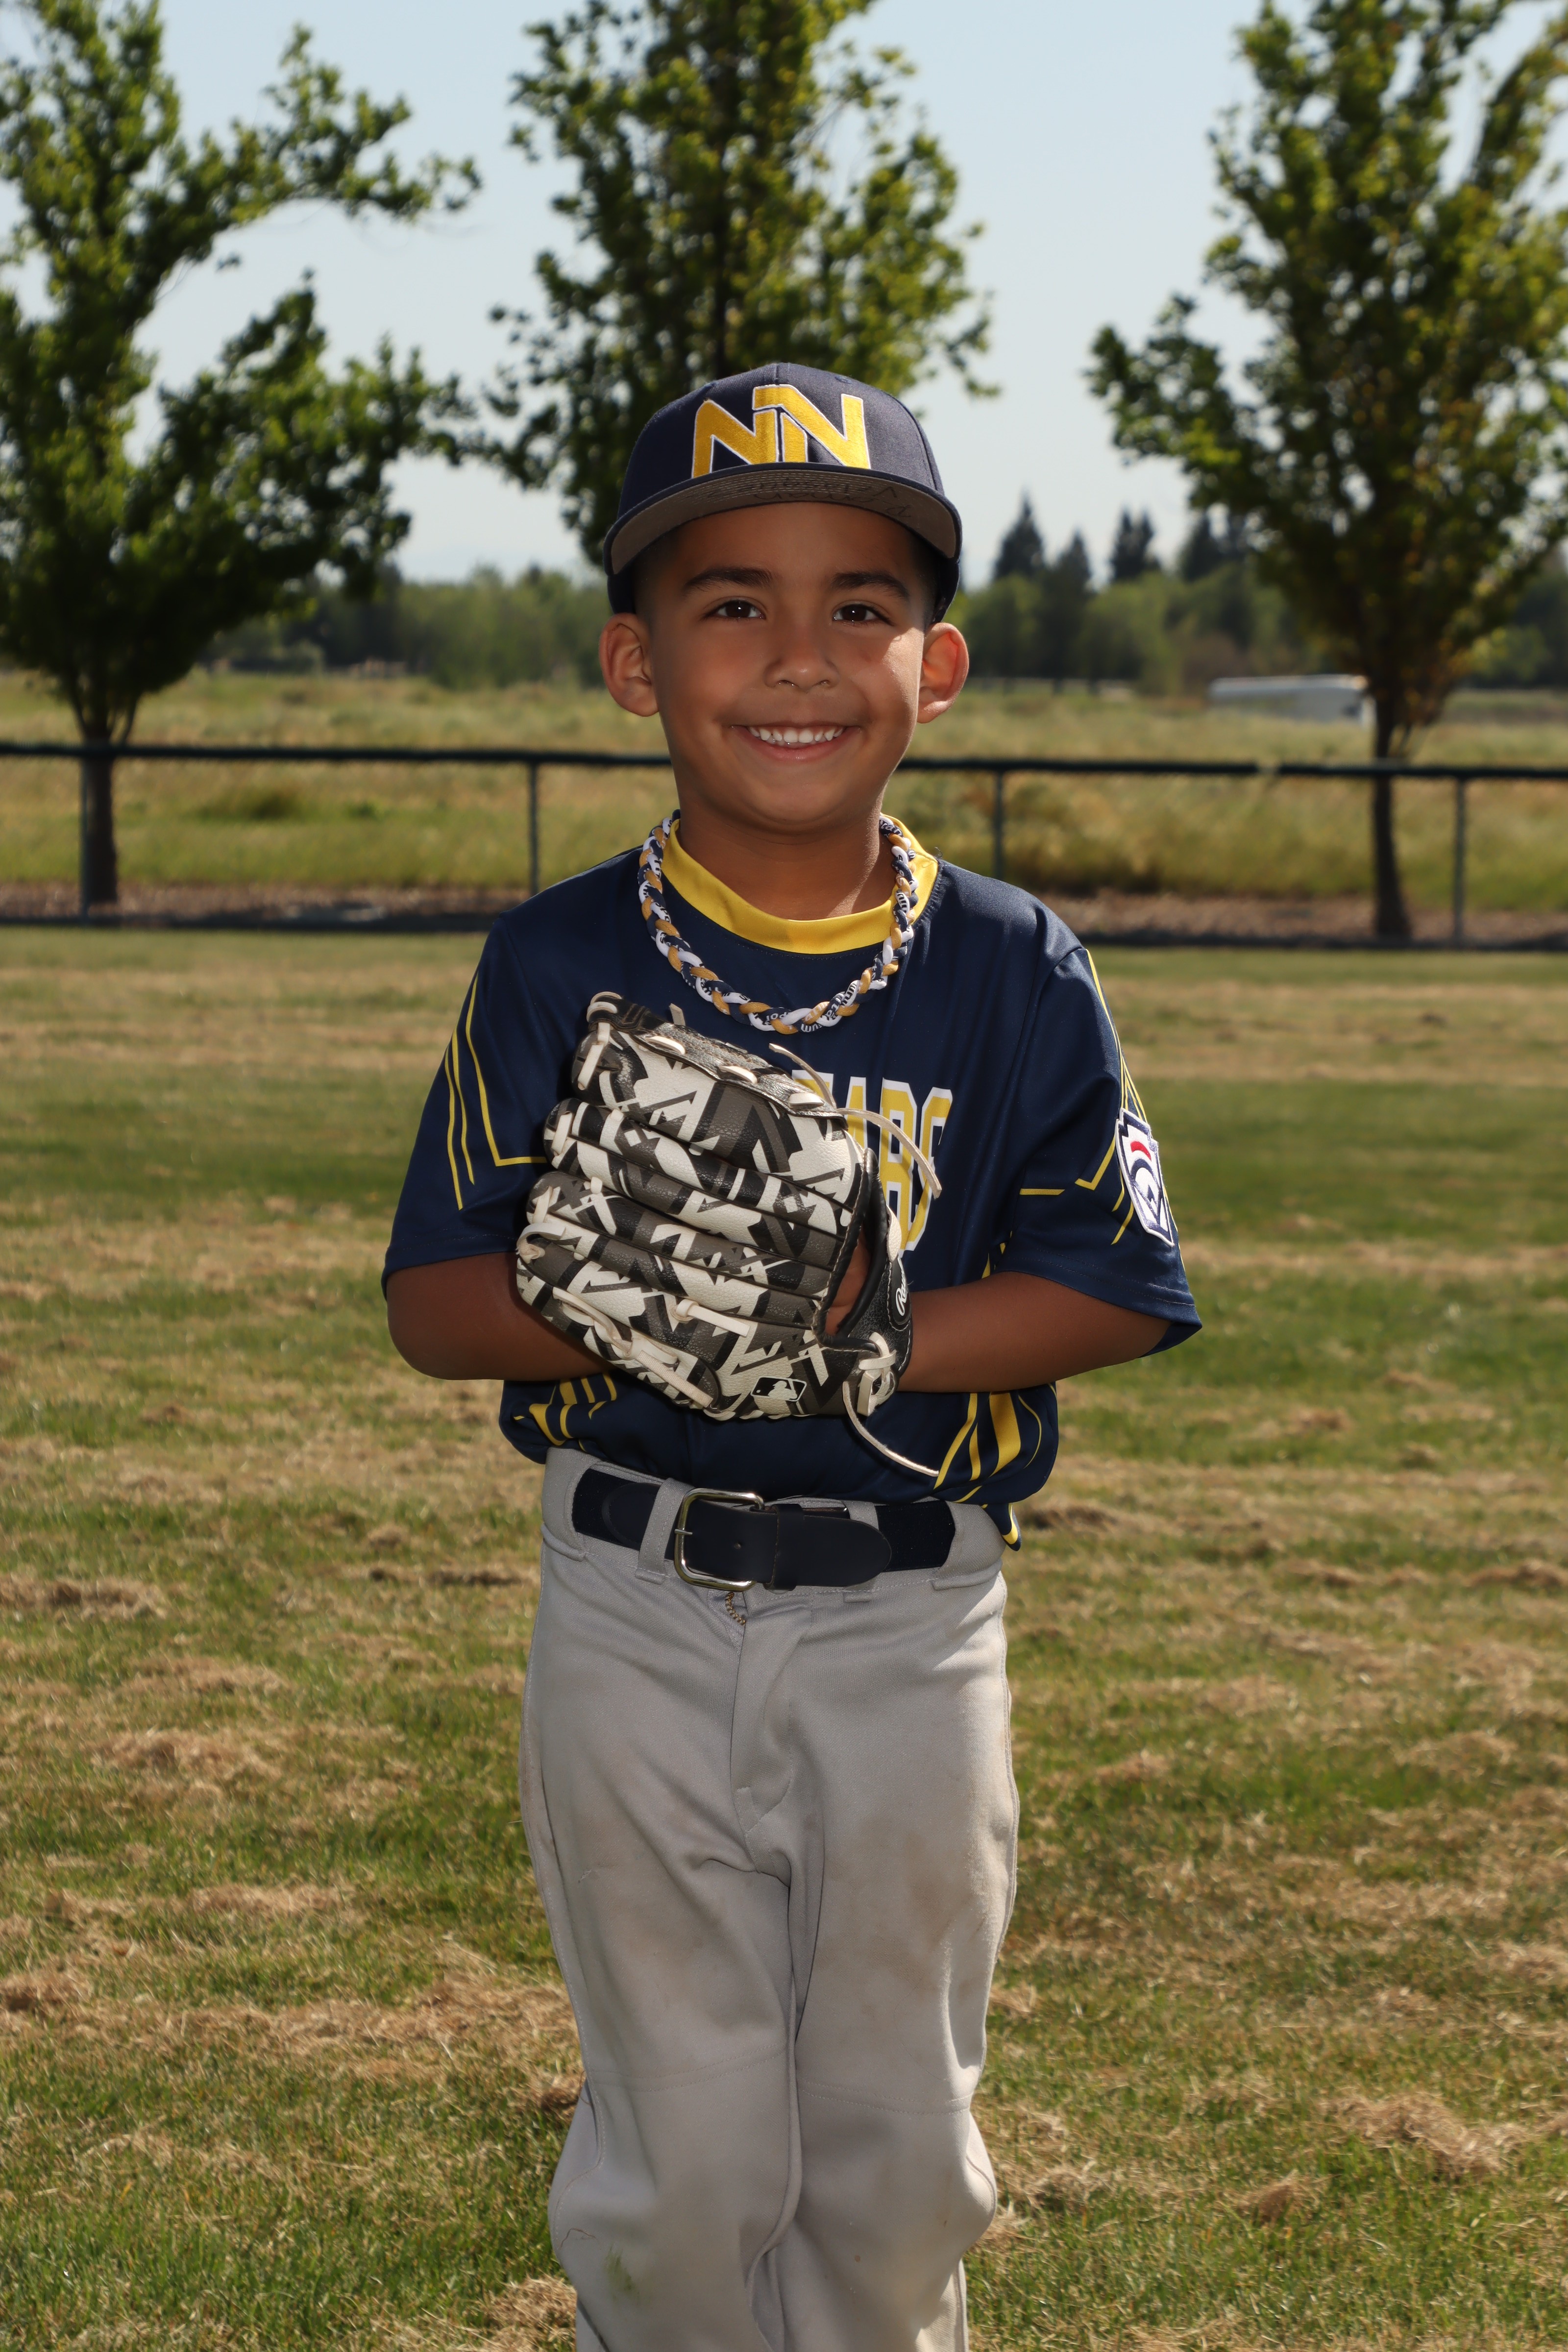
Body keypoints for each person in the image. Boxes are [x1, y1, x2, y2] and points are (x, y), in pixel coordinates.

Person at [384, 362, 1199, 2352]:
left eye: (860, 605)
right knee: (684, 2157)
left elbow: (1115, 1283)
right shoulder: (560, 959)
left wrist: (843, 1336)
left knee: (895, 2153)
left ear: (938, 666)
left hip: (911, 1622)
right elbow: (433, 1300)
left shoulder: (1011, 965)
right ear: (631, 662)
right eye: (730, 600)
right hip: (633, 1598)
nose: (798, 654)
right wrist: (640, 1295)